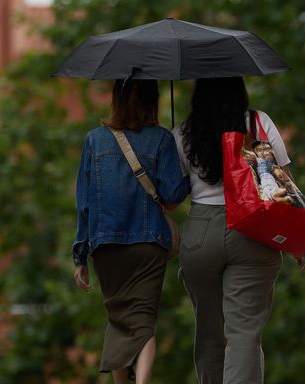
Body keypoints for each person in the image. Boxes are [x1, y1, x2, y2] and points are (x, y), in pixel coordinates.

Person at [172, 77, 305, 383]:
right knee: (243, 333)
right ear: (239, 89)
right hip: (253, 230)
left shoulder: (183, 132)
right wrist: (299, 240)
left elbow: (172, 196)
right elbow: (283, 184)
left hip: (201, 233)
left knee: (209, 331)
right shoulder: (258, 123)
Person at [72, 78, 189, 383]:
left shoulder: (94, 140)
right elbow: (174, 195)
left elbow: (84, 203)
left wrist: (80, 256)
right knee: (143, 320)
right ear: (153, 102)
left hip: (105, 245)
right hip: (148, 243)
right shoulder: (161, 139)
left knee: (119, 319)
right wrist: (181, 166)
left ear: (116, 100)